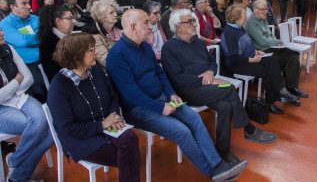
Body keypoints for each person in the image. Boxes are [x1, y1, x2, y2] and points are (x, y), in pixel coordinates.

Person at [106, 9, 248, 181]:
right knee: (182, 131)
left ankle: (217, 164)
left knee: (195, 119)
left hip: (163, 99)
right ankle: (212, 172)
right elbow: (130, 93)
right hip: (138, 109)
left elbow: (160, 74)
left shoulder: (144, 47)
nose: (151, 27)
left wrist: (171, 94)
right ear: (133, 26)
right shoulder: (116, 55)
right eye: (146, 23)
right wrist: (160, 107)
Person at [162, 9, 277, 162]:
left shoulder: (196, 41)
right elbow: (178, 78)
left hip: (208, 87)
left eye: (194, 21)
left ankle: (223, 150)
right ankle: (249, 130)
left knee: (225, 107)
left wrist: (210, 73)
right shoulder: (169, 48)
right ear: (178, 27)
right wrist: (204, 80)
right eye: (189, 22)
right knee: (229, 88)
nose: (194, 24)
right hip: (188, 91)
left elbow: (211, 62)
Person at [48, 33, 140, 181]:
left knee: (130, 139)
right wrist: (102, 124)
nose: (95, 52)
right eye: (91, 50)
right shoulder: (59, 86)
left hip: (107, 125)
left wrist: (114, 117)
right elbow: (68, 128)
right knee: (129, 155)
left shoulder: (96, 72)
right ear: (77, 56)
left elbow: (113, 97)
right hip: (80, 138)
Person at [220, 4, 299, 114]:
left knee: (272, 59)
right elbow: (233, 58)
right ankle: (272, 101)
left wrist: (256, 52)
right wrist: (251, 59)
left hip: (250, 57)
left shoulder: (239, 28)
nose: (246, 17)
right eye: (244, 15)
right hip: (238, 64)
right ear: (236, 19)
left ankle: (281, 91)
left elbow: (246, 45)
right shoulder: (229, 33)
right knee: (266, 71)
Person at [0, 30, 53, 182]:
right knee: (39, 126)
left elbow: (28, 77)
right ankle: (20, 175)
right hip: (2, 109)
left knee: (50, 125)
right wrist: (16, 82)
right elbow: (20, 78)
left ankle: (15, 162)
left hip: (20, 98)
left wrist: (8, 91)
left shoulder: (7, 48)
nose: (2, 32)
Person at [245, 0, 308, 100]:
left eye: (266, 8)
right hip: (261, 51)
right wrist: (278, 42)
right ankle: (284, 93)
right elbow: (262, 41)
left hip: (271, 48)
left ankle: (292, 88)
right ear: (255, 10)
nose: (266, 11)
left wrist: (277, 43)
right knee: (284, 59)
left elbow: (270, 35)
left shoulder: (263, 18)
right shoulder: (251, 22)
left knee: (293, 56)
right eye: (263, 9)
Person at [0, 0, 46, 102]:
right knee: (40, 91)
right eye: (24, 4)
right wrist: (36, 39)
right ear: (13, 7)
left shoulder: (35, 18)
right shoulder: (5, 24)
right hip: (27, 64)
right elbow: (23, 41)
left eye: (29, 3)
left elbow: (45, 36)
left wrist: (32, 39)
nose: (29, 6)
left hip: (44, 59)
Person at [38, 5, 76, 81]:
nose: (74, 21)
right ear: (58, 21)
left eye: (73, 18)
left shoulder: (69, 36)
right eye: (69, 18)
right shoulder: (48, 44)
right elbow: (55, 73)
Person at [86, 0, 122, 68]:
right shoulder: (95, 35)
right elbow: (106, 60)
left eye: (115, 11)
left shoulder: (120, 27)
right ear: (102, 17)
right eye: (111, 13)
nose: (115, 14)